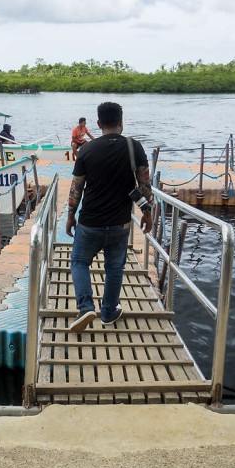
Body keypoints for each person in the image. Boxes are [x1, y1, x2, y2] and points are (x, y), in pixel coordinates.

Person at [65, 102, 153, 332]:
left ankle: (86, 308)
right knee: (115, 267)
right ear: (121, 122)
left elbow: (76, 188)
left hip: (89, 222)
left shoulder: (86, 150)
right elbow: (145, 184)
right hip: (120, 222)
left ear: (98, 124)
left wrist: (70, 216)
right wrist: (148, 212)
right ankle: (108, 312)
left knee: (79, 261)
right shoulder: (134, 147)